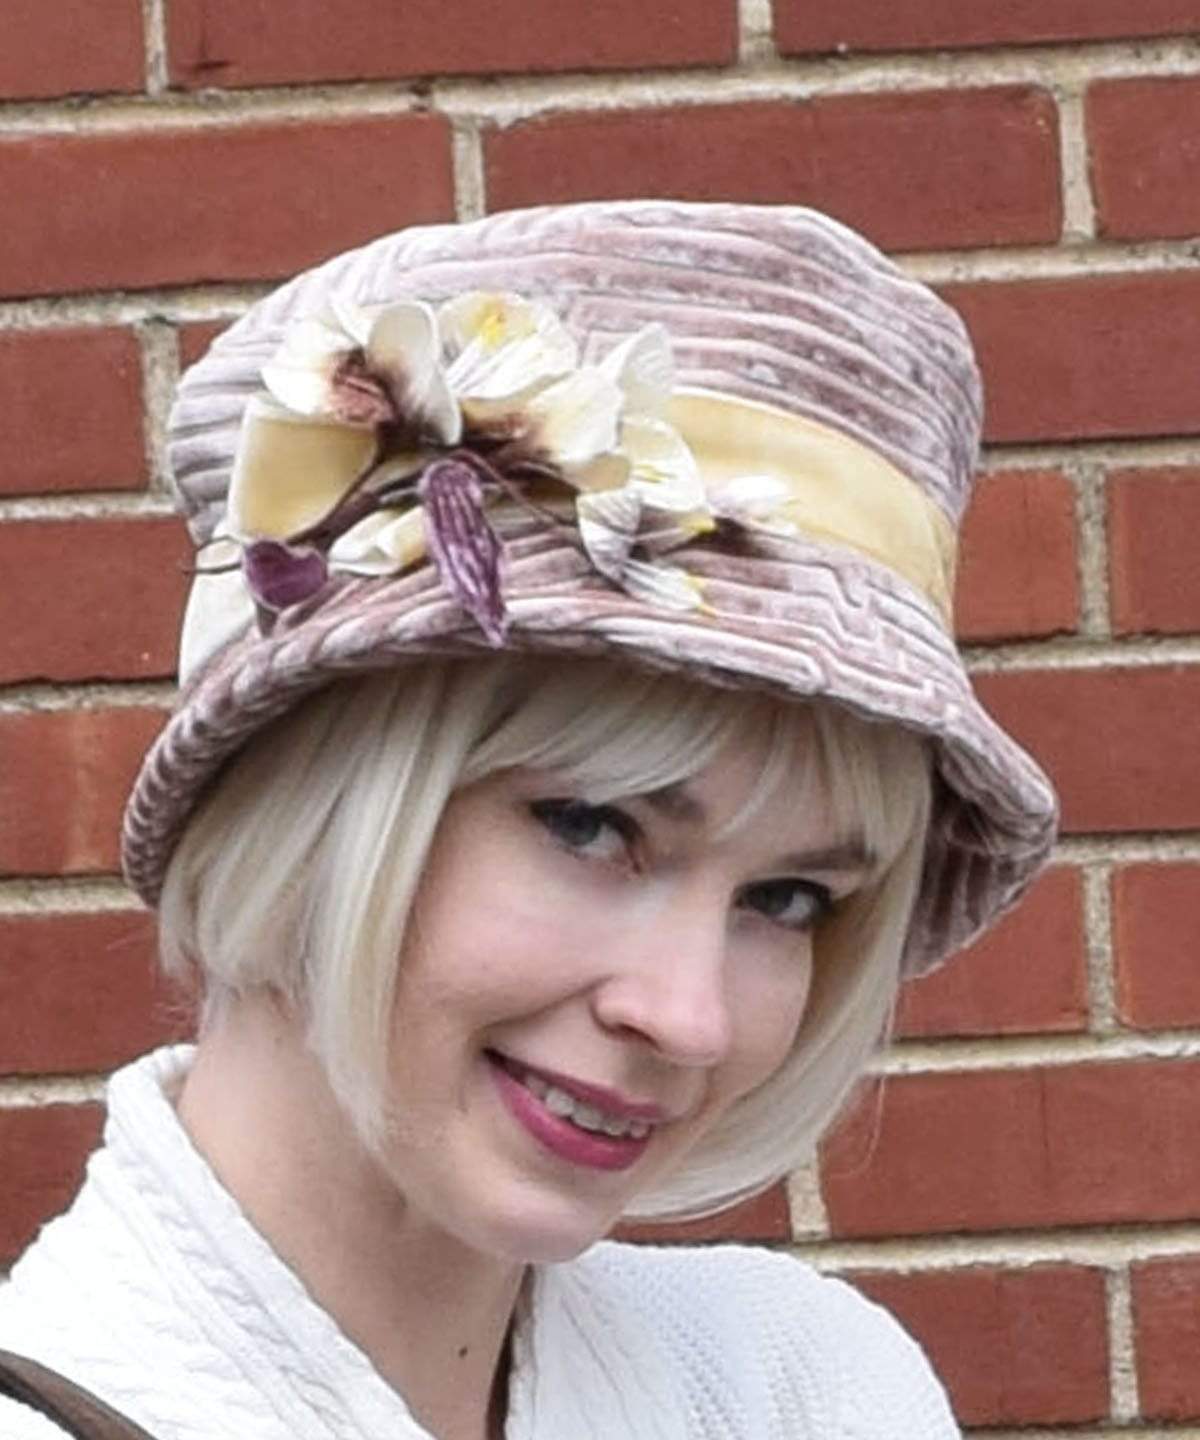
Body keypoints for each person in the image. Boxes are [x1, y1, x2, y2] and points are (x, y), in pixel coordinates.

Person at [0, 200, 1056, 1440]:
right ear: (311, 801)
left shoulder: (800, 1388)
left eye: (787, 899)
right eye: (592, 826)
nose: (690, 1016)